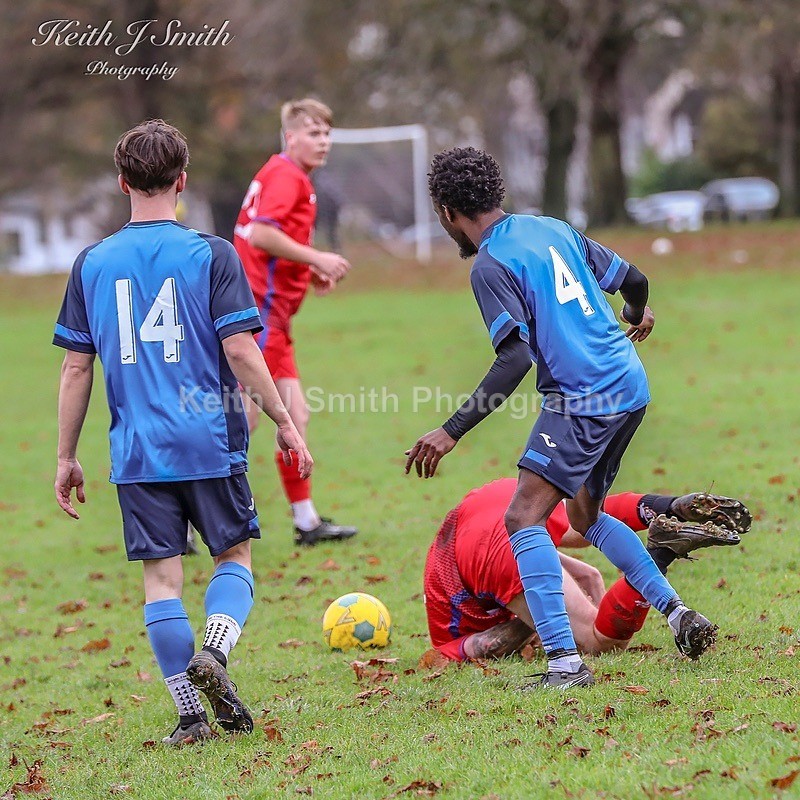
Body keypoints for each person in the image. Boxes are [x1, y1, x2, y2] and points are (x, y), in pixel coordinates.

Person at [406, 146, 717, 689]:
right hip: (629, 384)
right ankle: (678, 613)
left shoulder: (490, 264)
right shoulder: (553, 228)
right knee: (584, 515)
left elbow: (515, 358)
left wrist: (449, 430)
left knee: (522, 517)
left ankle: (565, 664)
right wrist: (635, 314)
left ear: (446, 211)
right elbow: (635, 279)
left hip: (583, 398)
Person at [53, 120, 312, 745]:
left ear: (122, 183)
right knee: (234, 555)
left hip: (137, 452)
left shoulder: (92, 262)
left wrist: (65, 455)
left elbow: (75, 365)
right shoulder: (211, 254)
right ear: (183, 181)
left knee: (161, 582)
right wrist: (282, 420)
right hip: (210, 440)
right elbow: (243, 350)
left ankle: (190, 716)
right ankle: (215, 656)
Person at [424, 480, 751, 663]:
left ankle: (661, 551)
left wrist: (536, 625)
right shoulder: (445, 582)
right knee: (584, 523)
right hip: (493, 498)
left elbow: (485, 646)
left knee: (599, 643)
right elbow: (586, 571)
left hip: (484, 548)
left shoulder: (445, 636)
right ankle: (668, 505)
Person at [233, 98, 357, 546]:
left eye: (326, 133)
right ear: (290, 136)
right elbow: (263, 235)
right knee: (239, 422)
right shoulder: (286, 175)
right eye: (312, 133)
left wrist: (308, 271)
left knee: (295, 417)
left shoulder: (287, 175)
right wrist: (318, 256)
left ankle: (306, 521)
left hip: (275, 321)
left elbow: (269, 242)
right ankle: (191, 519)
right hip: (258, 318)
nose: (322, 141)